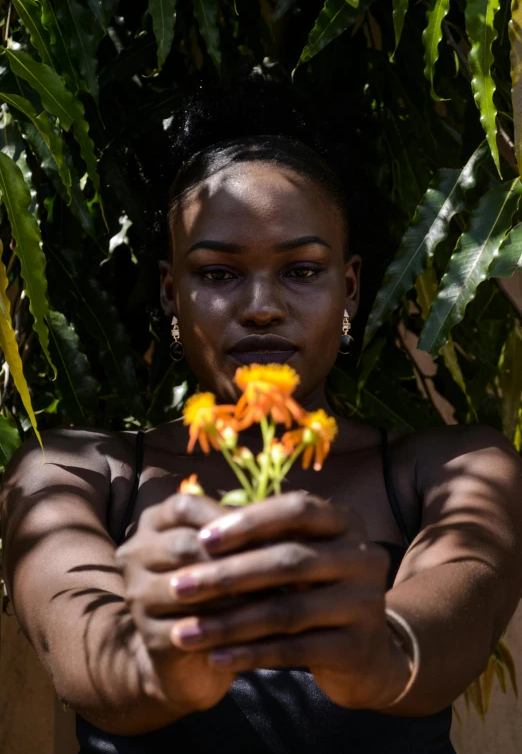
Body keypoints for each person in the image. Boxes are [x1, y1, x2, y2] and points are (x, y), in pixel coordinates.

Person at [2, 77, 522, 754]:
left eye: (302, 270)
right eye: (218, 273)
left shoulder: (458, 470)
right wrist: (167, 659)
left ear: (351, 287)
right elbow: (89, 659)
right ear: (171, 292)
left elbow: (453, 627)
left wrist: (376, 651)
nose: (261, 306)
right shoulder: (71, 472)